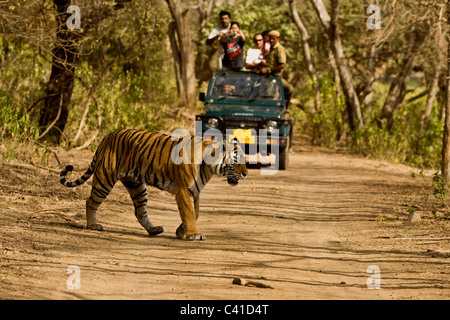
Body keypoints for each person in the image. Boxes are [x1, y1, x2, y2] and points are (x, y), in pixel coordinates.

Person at [258, 30, 294, 108]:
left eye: (273, 39)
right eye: (270, 38)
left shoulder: (279, 49)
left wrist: (269, 70)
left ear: (278, 39)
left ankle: (285, 109)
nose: (271, 40)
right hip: (267, 76)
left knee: (290, 90)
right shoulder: (271, 48)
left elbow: (282, 65)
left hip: (275, 77)